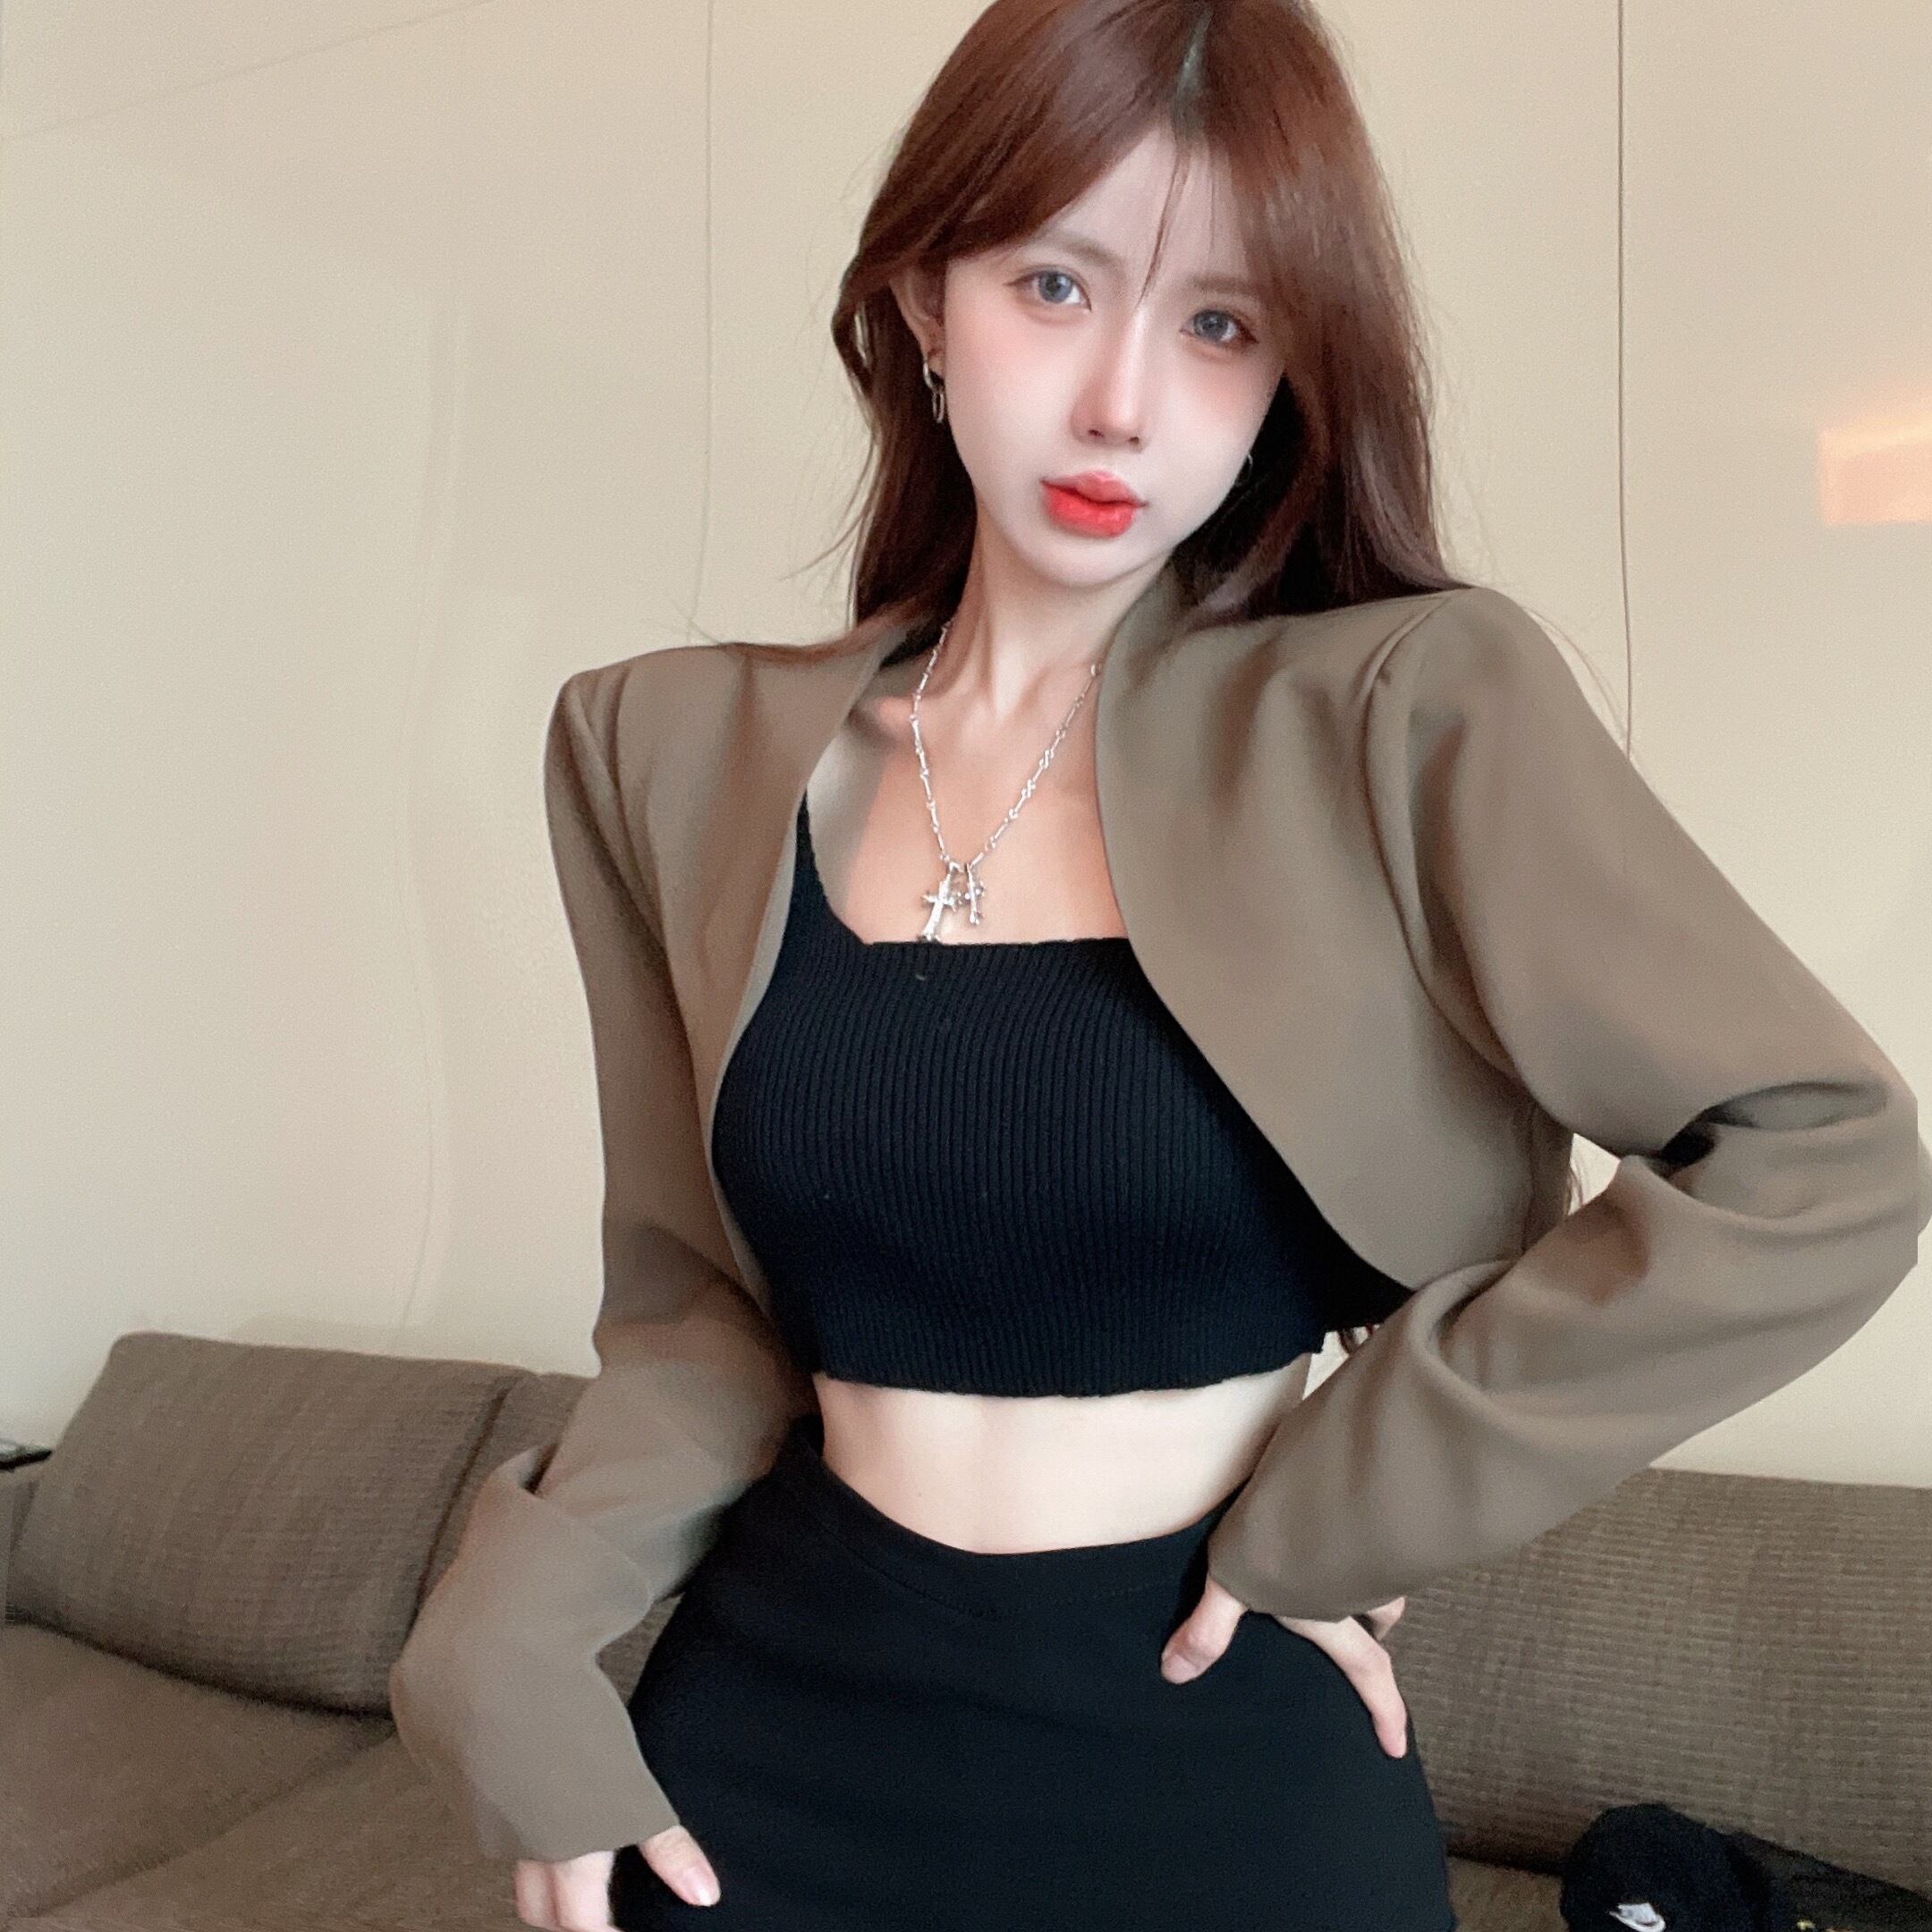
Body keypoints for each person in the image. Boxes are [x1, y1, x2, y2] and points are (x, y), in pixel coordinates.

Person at [387, 3, 1931, 1929]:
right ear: (924, 301)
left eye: (1219, 322)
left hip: (1216, 1726)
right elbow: (700, 1310)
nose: (1124, 401)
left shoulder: (1403, 712)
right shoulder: (665, 755)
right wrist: (507, 1630)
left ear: (1290, 372)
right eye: (1055, 284)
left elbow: (1819, 1154)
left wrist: (1349, 1497)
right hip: (774, 1723)